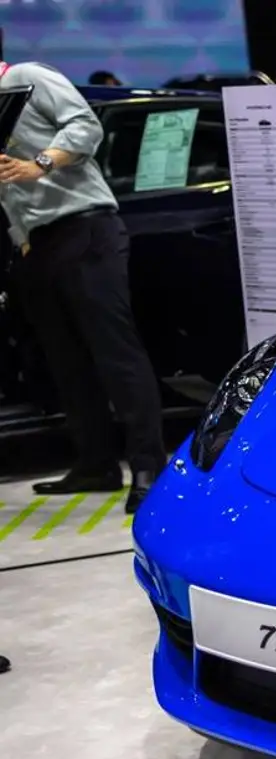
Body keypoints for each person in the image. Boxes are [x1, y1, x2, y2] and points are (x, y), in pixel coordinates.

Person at [0, 54, 165, 514]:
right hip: (37, 244)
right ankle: (96, 464)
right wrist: (22, 238)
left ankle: (149, 467)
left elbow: (86, 125)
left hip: (84, 227)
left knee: (116, 353)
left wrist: (40, 162)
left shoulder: (26, 78)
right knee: (66, 361)